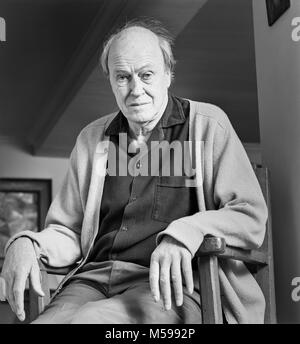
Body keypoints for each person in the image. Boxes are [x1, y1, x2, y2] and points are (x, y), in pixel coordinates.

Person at [0, 18, 268, 324]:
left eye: (146, 74)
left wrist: (185, 233)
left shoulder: (208, 125)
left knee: (92, 321)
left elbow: (250, 216)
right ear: (111, 80)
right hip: (92, 282)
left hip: (171, 285)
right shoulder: (92, 139)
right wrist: (26, 242)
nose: (135, 89)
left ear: (168, 74)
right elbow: (68, 231)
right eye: (123, 77)